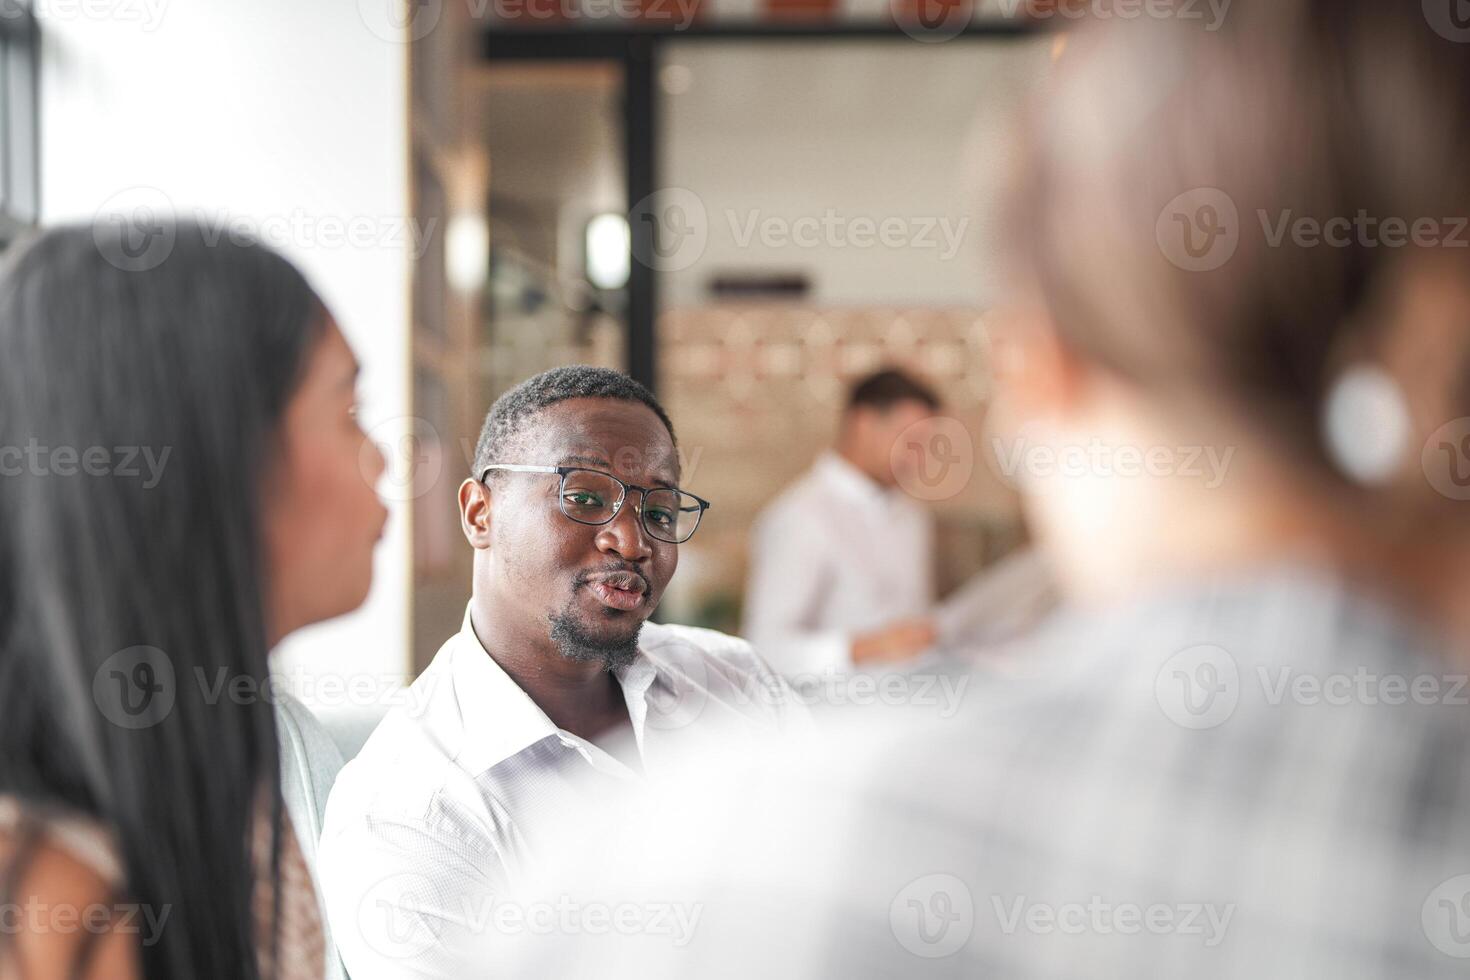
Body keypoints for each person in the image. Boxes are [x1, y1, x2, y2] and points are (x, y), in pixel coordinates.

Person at [498, 2, 1470, 977]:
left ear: (1040, 369)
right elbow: (777, 651)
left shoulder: (695, 870)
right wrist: (879, 647)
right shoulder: (801, 528)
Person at [318, 366, 804, 978]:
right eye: (584, 498)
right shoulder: (414, 813)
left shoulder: (735, 681)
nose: (631, 540)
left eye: (658, 511)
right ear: (479, 513)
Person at [0, 222, 388, 979]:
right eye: (347, 412)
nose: (381, 456)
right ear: (218, 454)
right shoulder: (45, 897)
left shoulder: (240, 793)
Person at [743, 368, 942, 677]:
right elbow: (764, 649)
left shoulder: (913, 516)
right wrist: (864, 648)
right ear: (863, 424)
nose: (918, 459)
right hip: (833, 718)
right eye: (910, 440)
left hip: (917, 708)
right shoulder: (799, 517)